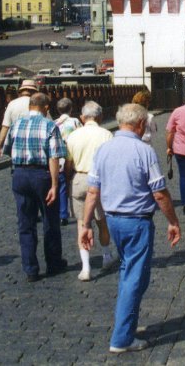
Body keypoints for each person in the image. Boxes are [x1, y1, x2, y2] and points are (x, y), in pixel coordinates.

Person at [79, 103, 181, 354]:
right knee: (135, 278)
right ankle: (122, 338)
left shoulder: (103, 149)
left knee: (129, 272)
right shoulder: (144, 151)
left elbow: (92, 191)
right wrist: (173, 221)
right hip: (137, 221)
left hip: (113, 220)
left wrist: (86, 224)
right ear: (141, 124)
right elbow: (159, 193)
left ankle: (127, 322)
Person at [3, 91, 67, 281]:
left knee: (25, 223)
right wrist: (54, 184)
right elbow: (54, 157)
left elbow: (8, 149)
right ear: (46, 107)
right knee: (50, 220)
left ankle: (30, 269)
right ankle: (53, 263)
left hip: (20, 174)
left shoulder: (16, 124)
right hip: (41, 175)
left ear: (30, 105)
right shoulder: (49, 125)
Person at [65, 101, 116, 280]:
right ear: (100, 116)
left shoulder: (73, 136)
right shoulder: (106, 134)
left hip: (79, 178)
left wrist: (69, 179)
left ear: (82, 117)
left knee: (82, 223)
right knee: (102, 221)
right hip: (99, 181)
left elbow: (68, 163)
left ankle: (85, 267)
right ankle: (106, 255)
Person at [0, 79, 38, 159]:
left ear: (21, 91)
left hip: (16, 144)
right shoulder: (38, 104)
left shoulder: (12, 104)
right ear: (34, 92)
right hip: (35, 144)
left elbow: (5, 127)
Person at [53, 98, 80, 226]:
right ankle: (70, 211)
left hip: (58, 158)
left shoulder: (54, 123)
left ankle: (61, 214)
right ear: (71, 109)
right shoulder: (74, 121)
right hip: (71, 156)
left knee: (60, 185)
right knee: (70, 185)